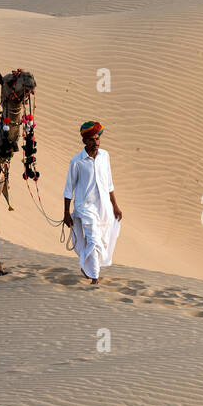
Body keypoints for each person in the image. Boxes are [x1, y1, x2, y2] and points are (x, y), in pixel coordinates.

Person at [63, 120, 123, 283]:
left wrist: (115, 206)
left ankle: (86, 265)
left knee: (102, 240)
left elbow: (109, 183)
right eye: (92, 139)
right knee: (94, 239)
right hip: (85, 207)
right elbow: (69, 189)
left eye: (97, 139)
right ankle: (94, 278)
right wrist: (66, 213)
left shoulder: (105, 156)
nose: (96, 143)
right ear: (84, 141)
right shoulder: (77, 161)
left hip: (103, 207)